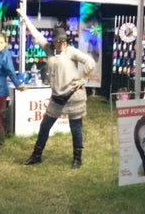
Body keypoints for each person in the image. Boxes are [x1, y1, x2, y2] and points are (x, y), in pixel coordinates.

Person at [17, 9, 95, 169]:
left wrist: (84, 80)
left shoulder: (70, 51)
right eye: (58, 41)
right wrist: (24, 17)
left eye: (63, 41)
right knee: (45, 125)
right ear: (54, 42)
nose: (61, 43)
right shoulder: (49, 50)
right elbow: (38, 36)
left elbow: (89, 61)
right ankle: (36, 155)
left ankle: (77, 159)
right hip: (57, 96)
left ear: (66, 41)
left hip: (74, 95)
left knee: (75, 128)